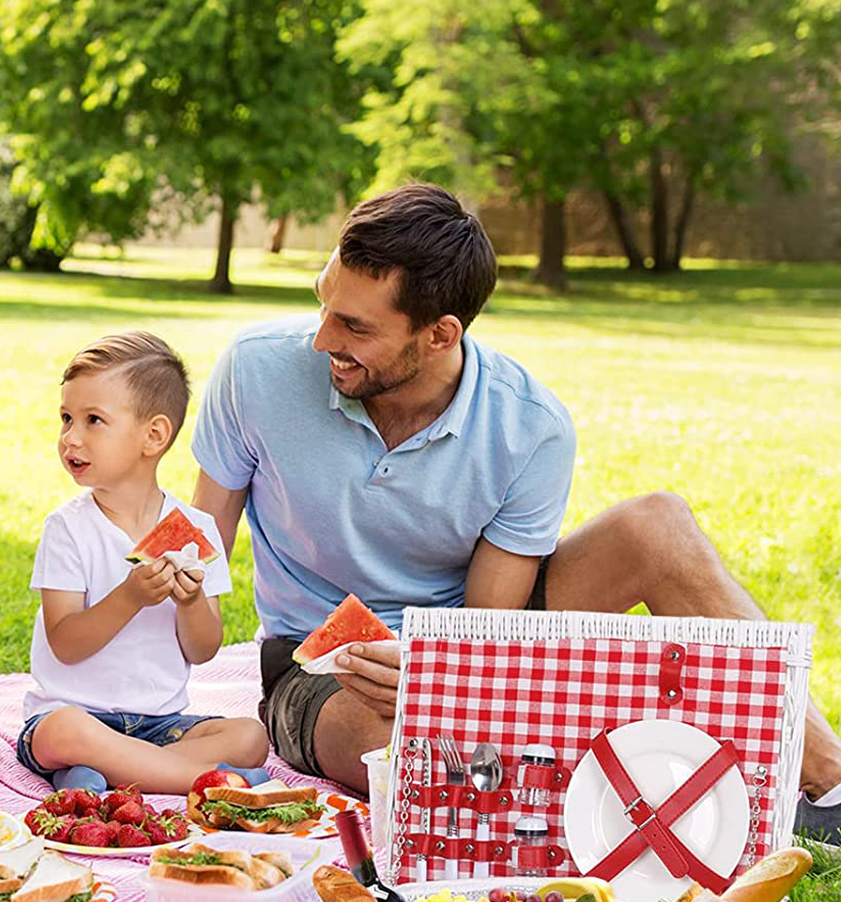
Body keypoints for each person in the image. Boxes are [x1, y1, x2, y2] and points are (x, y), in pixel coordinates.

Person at [191, 182, 841, 842]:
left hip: (474, 641)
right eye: (324, 303)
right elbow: (197, 552)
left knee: (658, 524)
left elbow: (491, 630)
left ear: (441, 333)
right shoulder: (254, 372)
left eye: (356, 327)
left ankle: (829, 782)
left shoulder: (528, 425)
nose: (320, 338)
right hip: (320, 670)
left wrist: (434, 669)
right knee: (422, 766)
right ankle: (664, 801)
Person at [16, 332, 270, 794]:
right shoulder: (67, 528)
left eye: (94, 420)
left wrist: (192, 601)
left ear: (153, 435)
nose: (71, 437)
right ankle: (207, 781)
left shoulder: (195, 528)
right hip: (72, 714)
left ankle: (108, 775)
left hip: (159, 724)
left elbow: (203, 649)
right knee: (65, 733)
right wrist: (130, 597)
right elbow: (66, 644)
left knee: (250, 737)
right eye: (66, 418)